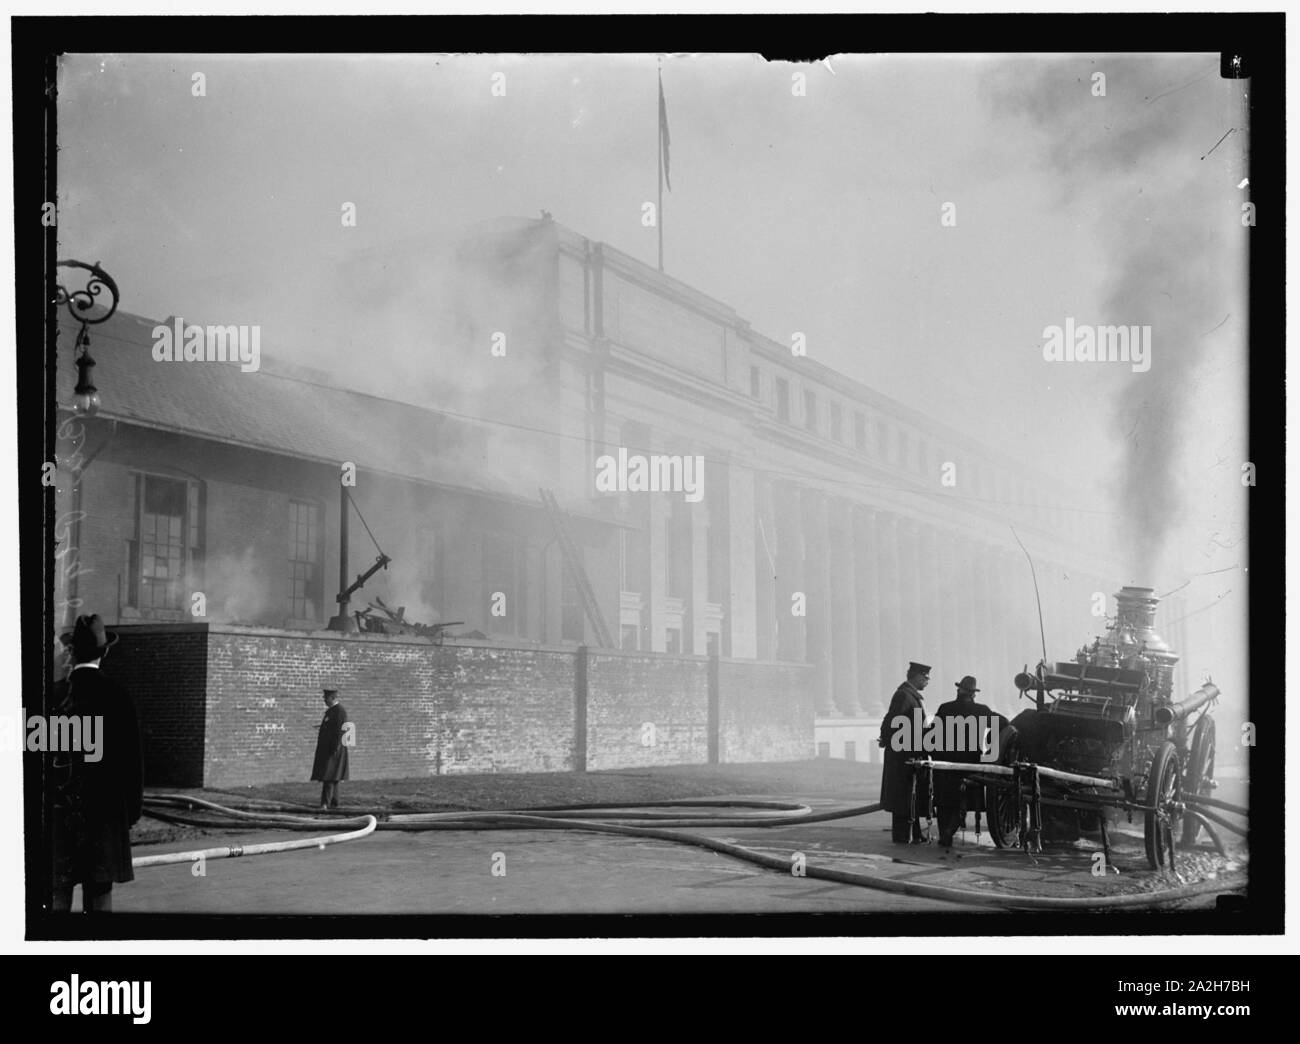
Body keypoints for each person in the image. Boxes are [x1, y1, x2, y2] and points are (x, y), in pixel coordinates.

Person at [51, 614, 143, 913]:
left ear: (71, 652)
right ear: (105, 652)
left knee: (54, 897)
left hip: (58, 820)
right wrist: (129, 815)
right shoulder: (119, 698)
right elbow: (133, 766)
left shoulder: (53, 696)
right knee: (100, 900)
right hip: (104, 820)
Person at [932, 675, 1009, 849]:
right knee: (962, 799)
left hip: (945, 761)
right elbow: (1004, 723)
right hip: (969, 762)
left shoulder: (945, 708)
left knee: (944, 799)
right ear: (973, 694)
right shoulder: (982, 710)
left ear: (959, 691)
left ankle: (945, 832)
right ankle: (948, 831)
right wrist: (991, 745)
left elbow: (932, 734)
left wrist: (934, 753)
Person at [878, 661, 930, 843]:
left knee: (911, 797)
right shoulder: (904, 696)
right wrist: (888, 739)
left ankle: (915, 833)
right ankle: (901, 837)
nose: (928, 681)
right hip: (903, 757)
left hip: (909, 755)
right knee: (903, 798)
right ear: (916, 676)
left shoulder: (909, 696)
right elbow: (892, 721)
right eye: (926, 677)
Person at [311, 688, 350, 809]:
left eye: (326, 698)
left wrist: (335, 748)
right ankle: (334, 802)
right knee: (333, 777)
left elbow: (340, 731)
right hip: (330, 749)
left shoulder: (339, 712)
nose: (324, 700)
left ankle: (325, 803)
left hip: (334, 750)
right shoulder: (331, 711)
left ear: (332, 698)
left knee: (329, 776)